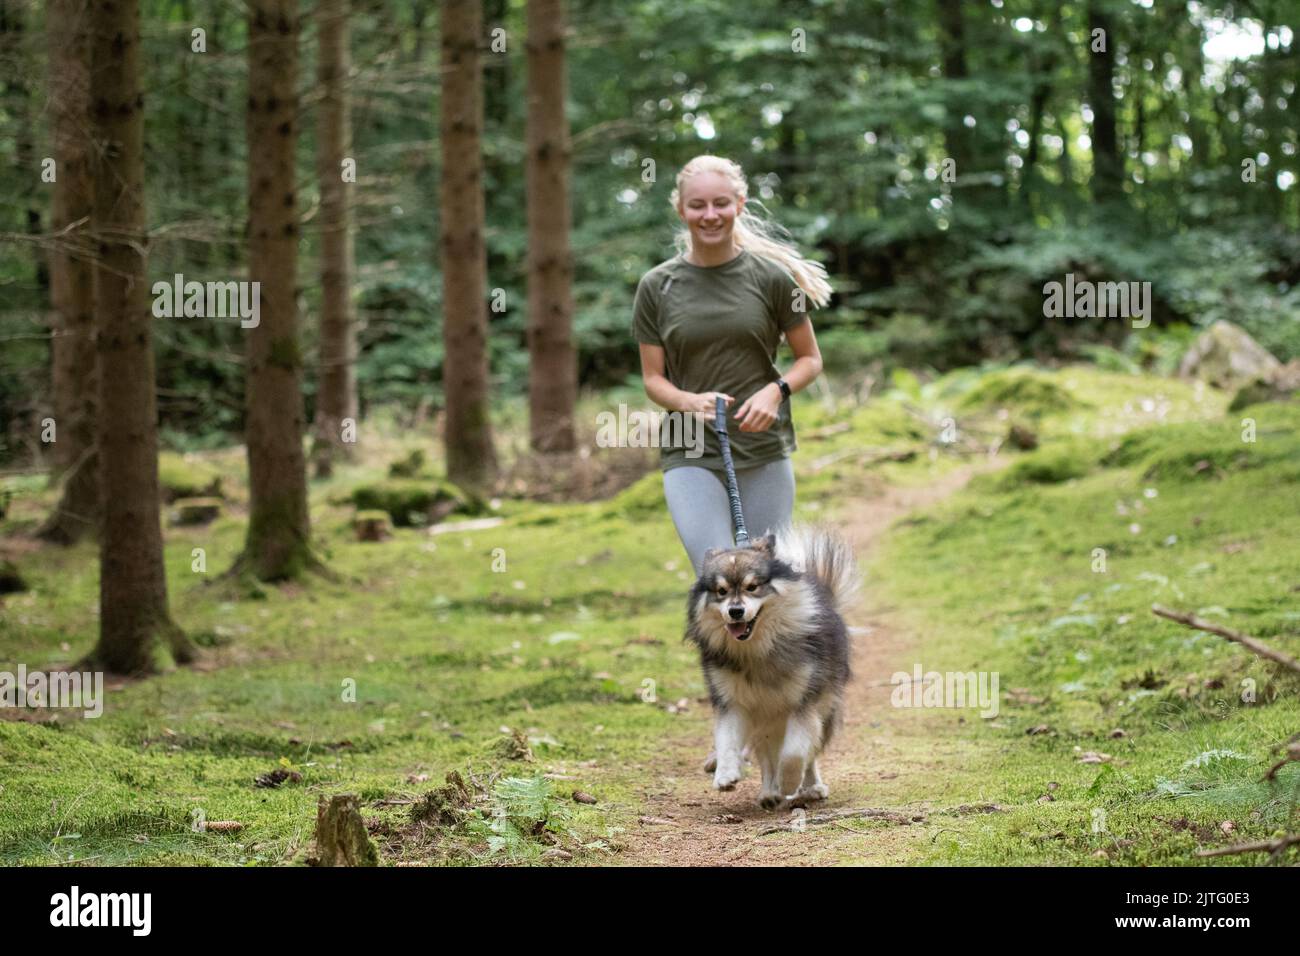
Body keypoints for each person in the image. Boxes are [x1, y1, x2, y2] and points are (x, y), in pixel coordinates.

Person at [633, 154, 831, 575]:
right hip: (690, 447)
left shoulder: (773, 279)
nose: (710, 215)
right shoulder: (656, 286)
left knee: (763, 581)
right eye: (697, 205)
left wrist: (775, 391)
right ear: (681, 209)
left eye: (720, 203)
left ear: (739, 204)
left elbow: (810, 359)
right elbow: (653, 379)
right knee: (717, 577)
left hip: (762, 447)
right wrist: (687, 401)